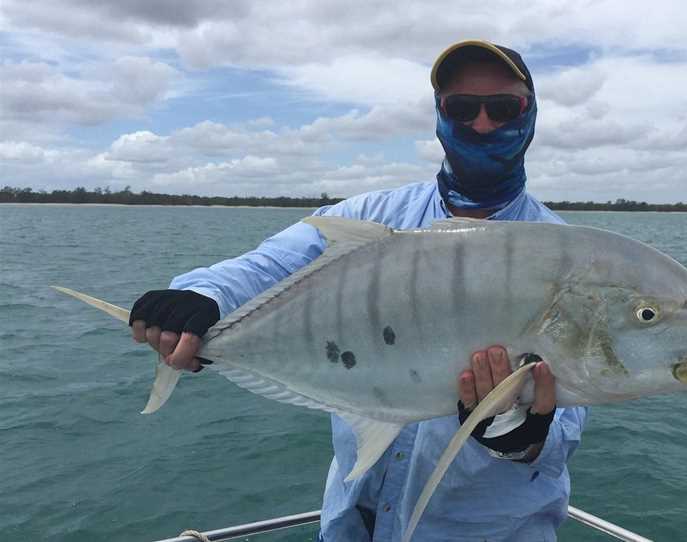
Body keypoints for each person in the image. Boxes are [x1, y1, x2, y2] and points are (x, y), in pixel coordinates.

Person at [129, 40, 588, 541]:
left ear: (531, 113)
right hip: (349, 526)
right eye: (461, 108)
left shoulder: (566, 258)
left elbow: (567, 415)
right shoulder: (371, 218)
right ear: (438, 116)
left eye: (503, 108)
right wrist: (203, 299)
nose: (481, 124)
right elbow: (270, 267)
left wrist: (520, 433)